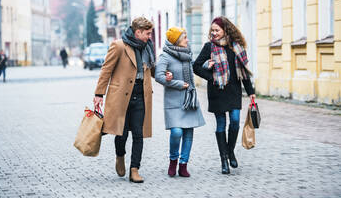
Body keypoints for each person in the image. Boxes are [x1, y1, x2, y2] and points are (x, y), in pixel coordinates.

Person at [93, 17, 156, 183]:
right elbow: (106, 70)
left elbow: (153, 68)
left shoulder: (148, 47)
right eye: (147, 33)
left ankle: (135, 169)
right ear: (138, 32)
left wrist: (167, 76)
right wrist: (99, 94)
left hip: (141, 95)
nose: (150, 37)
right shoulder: (119, 46)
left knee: (138, 134)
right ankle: (120, 155)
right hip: (121, 97)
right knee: (121, 134)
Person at [193, 16, 256, 175]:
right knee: (221, 125)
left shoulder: (237, 47)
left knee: (235, 121)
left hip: (234, 90)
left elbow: (244, 72)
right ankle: (224, 160)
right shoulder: (209, 47)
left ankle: (230, 152)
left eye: (217, 30)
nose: (214, 33)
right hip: (217, 91)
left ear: (225, 30)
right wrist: (210, 75)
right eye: (212, 30)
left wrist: (251, 92)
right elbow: (196, 66)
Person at [155, 27, 205, 178]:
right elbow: (159, 76)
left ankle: (183, 165)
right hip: (174, 100)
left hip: (189, 99)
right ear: (176, 40)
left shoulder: (187, 54)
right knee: (177, 132)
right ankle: (173, 161)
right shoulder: (165, 57)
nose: (187, 40)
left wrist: (206, 65)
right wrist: (177, 83)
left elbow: (194, 68)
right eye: (184, 38)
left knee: (189, 132)